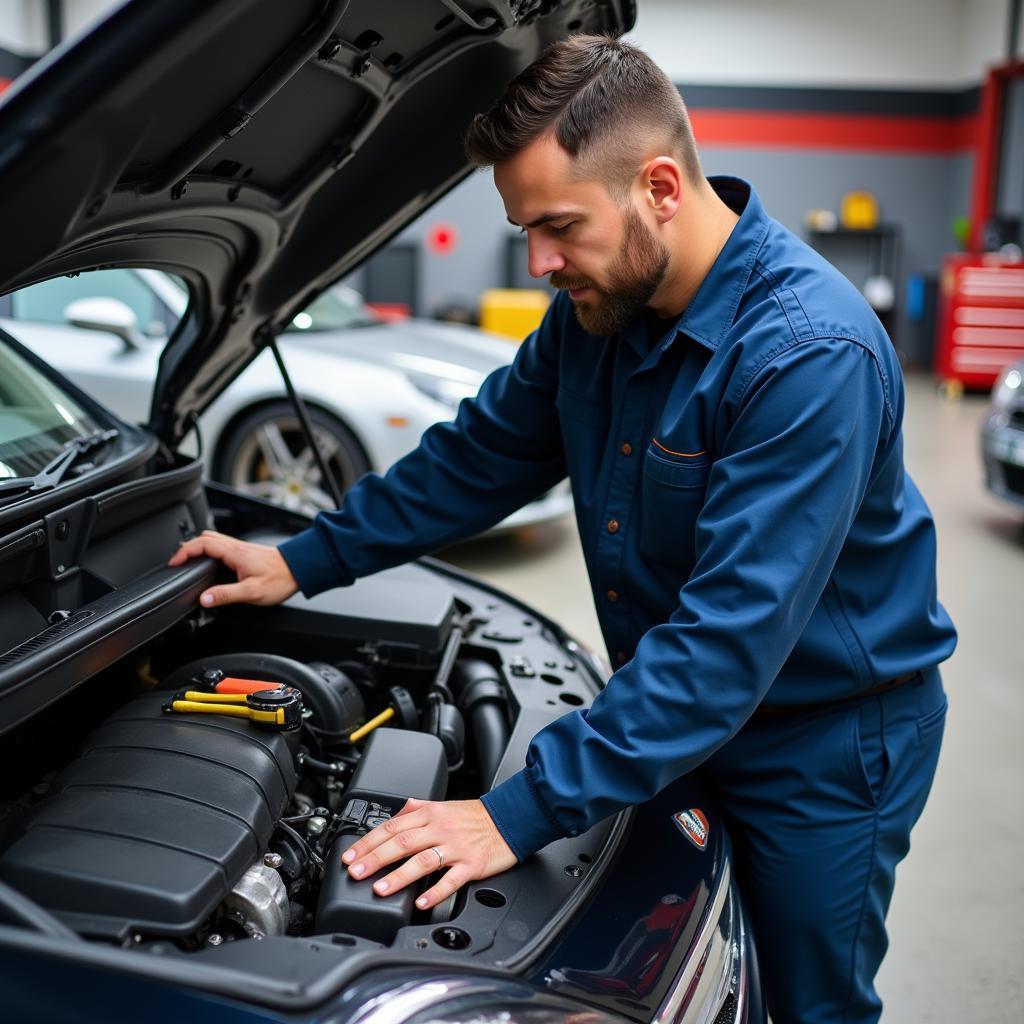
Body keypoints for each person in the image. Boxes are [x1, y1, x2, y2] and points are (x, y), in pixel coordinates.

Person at [170, 35, 956, 1023]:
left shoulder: (806, 357)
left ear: (660, 187)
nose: (539, 262)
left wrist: (513, 813)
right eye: (524, 229)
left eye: (557, 227)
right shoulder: (599, 312)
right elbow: (477, 456)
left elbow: (724, 642)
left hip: (822, 747)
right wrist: (301, 559)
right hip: (674, 718)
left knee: (805, 1002)